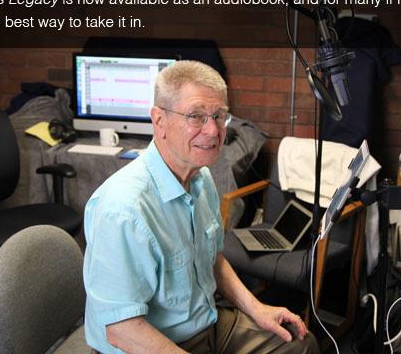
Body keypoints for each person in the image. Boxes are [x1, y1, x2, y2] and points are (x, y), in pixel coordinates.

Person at [83, 60, 319, 354]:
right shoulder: (123, 210)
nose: (212, 131)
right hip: (147, 344)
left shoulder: (201, 176)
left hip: (206, 323)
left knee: (300, 344)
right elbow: (122, 331)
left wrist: (258, 309)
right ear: (159, 121)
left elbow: (213, 259)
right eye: (195, 116)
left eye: (219, 116)